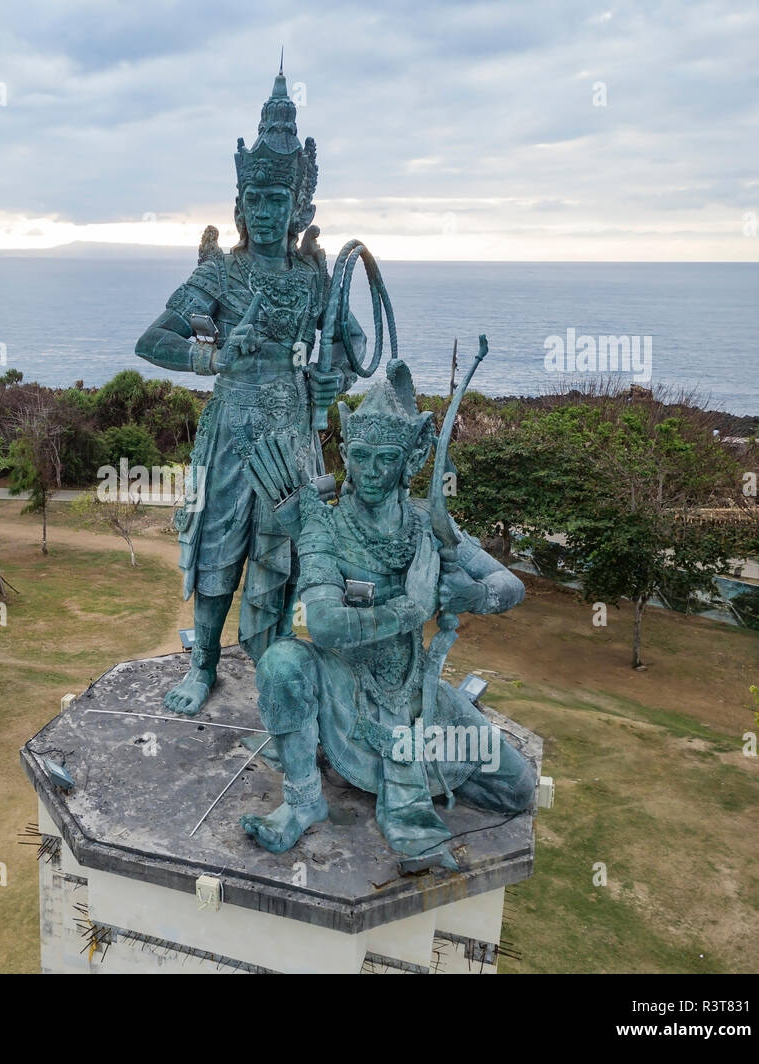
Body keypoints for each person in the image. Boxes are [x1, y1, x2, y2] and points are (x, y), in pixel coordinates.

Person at [238, 360, 536, 866]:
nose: (372, 472)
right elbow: (328, 625)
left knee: (517, 786)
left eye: (386, 459)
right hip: (341, 682)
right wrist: (411, 609)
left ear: (407, 462)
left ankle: (388, 771)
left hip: (415, 692)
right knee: (283, 664)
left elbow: (510, 584)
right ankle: (303, 798)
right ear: (346, 459)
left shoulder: (428, 524)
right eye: (361, 457)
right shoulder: (324, 526)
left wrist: (473, 597)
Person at [134, 69, 357, 716]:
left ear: (299, 208)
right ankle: (203, 663)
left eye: (275, 199)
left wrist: (331, 374)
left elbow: (347, 351)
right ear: (240, 203)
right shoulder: (220, 273)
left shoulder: (315, 279)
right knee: (219, 549)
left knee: (280, 553)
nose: (263, 211)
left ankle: (273, 658)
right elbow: (151, 341)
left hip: (292, 435)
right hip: (232, 430)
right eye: (253, 198)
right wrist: (214, 354)